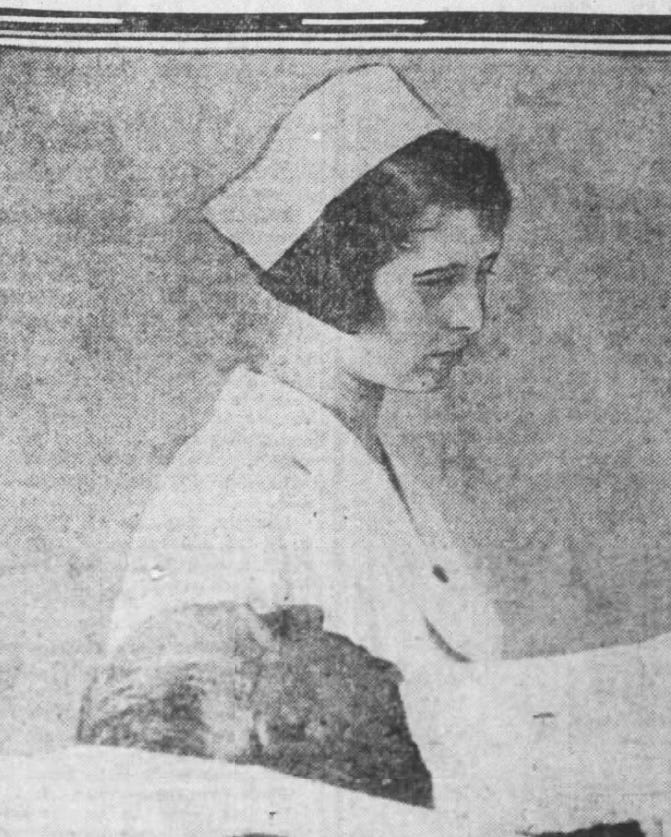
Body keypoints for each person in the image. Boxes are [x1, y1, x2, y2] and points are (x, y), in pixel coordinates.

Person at [100, 63, 512, 807]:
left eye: (483, 273)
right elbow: (166, 788)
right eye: (435, 281)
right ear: (334, 272)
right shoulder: (233, 488)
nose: (471, 316)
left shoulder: (381, 469)